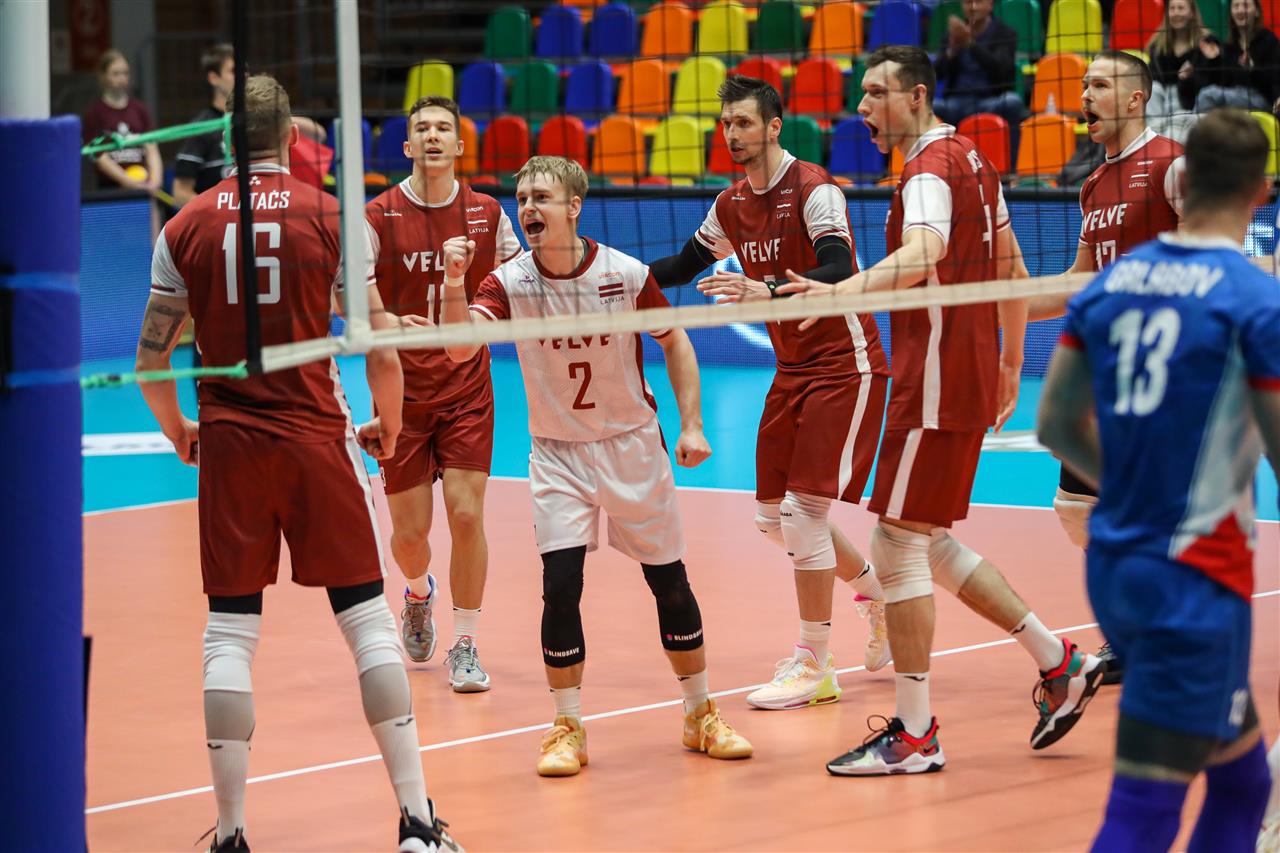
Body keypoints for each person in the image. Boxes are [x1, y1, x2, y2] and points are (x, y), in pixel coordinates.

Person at [134, 74, 460, 852]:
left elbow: (150, 358)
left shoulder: (182, 226)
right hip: (317, 437)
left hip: (231, 445)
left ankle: (232, 834)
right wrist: (390, 422)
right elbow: (377, 341)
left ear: (224, 139)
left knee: (228, 632)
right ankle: (416, 822)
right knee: (367, 621)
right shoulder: (335, 218)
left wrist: (180, 430)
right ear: (291, 137)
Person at [782, 45, 1105, 776]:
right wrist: (1009, 363)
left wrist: (839, 292)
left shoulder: (928, 171)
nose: (862, 107)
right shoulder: (975, 161)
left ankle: (916, 734)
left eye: (876, 93)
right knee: (924, 542)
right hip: (955, 375)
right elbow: (1013, 271)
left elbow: (923, 252)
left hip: (932, 380)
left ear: (917, 96)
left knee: (896, 545)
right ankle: (1061, 663)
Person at [441, 155, 753, 777]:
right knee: (560, 586)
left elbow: (675, 339)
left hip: (631, 444)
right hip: (558, 454)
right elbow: (456, 348)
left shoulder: (624, 273)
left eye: (542, 197)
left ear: (574, 207)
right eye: (522, 198)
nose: (528, 208)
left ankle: (700, 713)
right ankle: (567, 726)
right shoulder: (507, 282)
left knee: (669, 583)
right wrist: (453, 284)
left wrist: (692, 424)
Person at [1037, 107, 1280, 853]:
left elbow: (1056, 423)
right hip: (1195, 578)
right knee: (1143, 811)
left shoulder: (1110, 284)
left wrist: (1136, 489)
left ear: (1184, 179)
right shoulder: (1253, 300)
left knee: (1243, 782)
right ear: (1262, 192)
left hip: (1115, 564)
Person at [646, 74, 892, 712]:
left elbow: (839, 267)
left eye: (745, 123)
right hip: (792, 369)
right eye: (726, 124)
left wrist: (769, 290)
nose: (733, 135)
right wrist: (604, 276)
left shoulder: (813, 189)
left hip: (845, 363)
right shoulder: (730, 204)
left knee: (803, 515)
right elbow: (681, 265)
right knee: (770, 519)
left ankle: (815, 663)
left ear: (774, 126)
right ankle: (879, 597)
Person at [1033, 51, 1186, 685]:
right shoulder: (1094, 183)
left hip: (1163, 366)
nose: (1085, 96)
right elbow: (1080, 278)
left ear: (1135, 98)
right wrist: (993, 307)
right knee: (1076, 508)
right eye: (1084, 85)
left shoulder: (1173, 165)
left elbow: (1220, 256)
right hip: (1103, 368)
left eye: (1099, 84)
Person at [365, 95, 522, 692]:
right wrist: (385, 321)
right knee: (410, 537)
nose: (432, 136)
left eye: (443, 129)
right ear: (408, 146)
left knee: (466, 513)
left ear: (459, 145)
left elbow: (519, 282)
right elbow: (343, 293)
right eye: (422, 129)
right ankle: (416, 592)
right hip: (400, 393)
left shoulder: (486, 213)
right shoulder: (379, 215)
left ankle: (467, 643)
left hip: (466, 388)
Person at [82, 48, 164, 237]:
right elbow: (100, 157)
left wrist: (155, 181)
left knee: (150, 235)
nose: (122, 78)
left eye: (125, 73)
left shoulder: (139, 109)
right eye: (116, 73)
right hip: (112, 192)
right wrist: (128, 182)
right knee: (117, 242)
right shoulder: (94, 113)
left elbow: (151, 147)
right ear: (103, 76)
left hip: (144, 188)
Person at [932, 0, 1026, 157]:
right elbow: (937, 74)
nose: (973, 7)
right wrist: (951, 52)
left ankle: (1011, 166)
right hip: (955, 102)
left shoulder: (1005, 33)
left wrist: (971, 44)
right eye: (968, 2)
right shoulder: (952, 34)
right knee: (929, 106)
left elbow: (1002, 70)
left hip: (990, 101)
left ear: (991, 4)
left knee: (1012, 102)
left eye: (979, 1)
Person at [1188, 0, 1280, 113]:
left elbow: (1273, 82)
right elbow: (1225, 82)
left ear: (1256, 11)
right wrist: (1215, 59)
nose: (1240, 10)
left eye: (1245, 5)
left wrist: (1252, 69)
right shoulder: (1230, 45)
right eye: (1236, 6)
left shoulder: (1268, 40)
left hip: (1262, 99)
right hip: (1235, 97)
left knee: (1208, 95)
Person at [172, 44, 235, 206]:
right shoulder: (202, 127)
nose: (244, 76)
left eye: (246, 70)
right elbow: (180, 193)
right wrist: (216, 213)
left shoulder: (256, 122)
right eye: (234, 71)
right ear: (213, 78)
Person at [1145, 0, 1213, 143]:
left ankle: (1163, 140)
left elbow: (1210, 83)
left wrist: (1187, 78)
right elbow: (1154, 78)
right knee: (1153, 89)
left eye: (1181, 8)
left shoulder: (1207, 43)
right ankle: (1155, 138)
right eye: (1172, 8)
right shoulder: (1157, 44)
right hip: (1161, 103)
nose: (1176, 13)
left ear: (1192, 13)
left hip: (1190, 105)